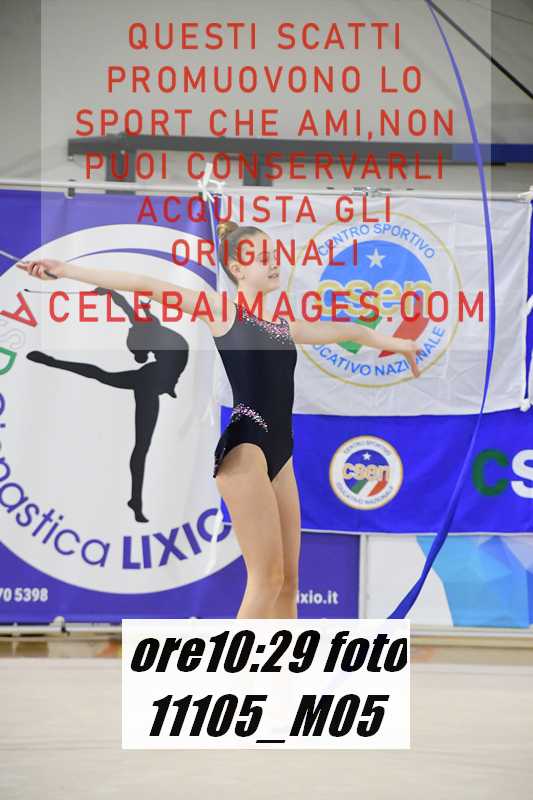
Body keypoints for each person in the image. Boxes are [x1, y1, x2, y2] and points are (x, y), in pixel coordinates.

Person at [16, 222, 423, 619]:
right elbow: (144, 284)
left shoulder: (283, 328)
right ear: (238, 268)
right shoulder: (222, 311)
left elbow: (346, 331)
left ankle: (285, 665)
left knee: (287, 582)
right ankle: (231, 664)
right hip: (246, 447)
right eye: (262, 257)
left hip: (282, 453)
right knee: (266, 580)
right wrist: (66, 270)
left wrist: (400, 343)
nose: (274, 262)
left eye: (275, 255)